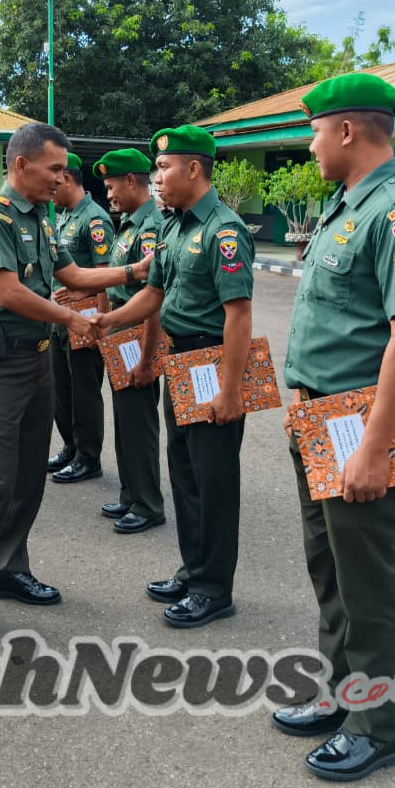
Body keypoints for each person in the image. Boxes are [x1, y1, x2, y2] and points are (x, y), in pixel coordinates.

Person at [272, 73, 395, 783]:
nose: (310, 145)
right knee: (331, 568)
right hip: (320, 417)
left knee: (368, 578)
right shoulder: (347, 206)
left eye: (315, 130)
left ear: (346, 130)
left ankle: (377, 727)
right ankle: (344, 694)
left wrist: (374, 449)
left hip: (358, 424)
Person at [0, 122, 152, 637]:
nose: (63, 177)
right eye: (55, 168)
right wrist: (73, 319)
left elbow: (70, 275)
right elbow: (7, 293)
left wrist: (131, 273)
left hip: (35, 363)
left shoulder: (41, 217)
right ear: (21, 165)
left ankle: (6, 570)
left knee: (28, 479)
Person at [94, 125, 253, 630]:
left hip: (212, 362)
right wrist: (106, 320)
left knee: (214, 481)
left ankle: (214, 589)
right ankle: (193, 569)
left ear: (193, 169)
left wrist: (231, 391)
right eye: (154, 170)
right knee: (184, 472)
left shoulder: (225, 231)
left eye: (163, 168)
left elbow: (239, 316)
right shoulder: (173, 228)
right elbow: (153, 297)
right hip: (180, 363)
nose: (156, 178)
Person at [92, 147, 166, 533]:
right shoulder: (129, 224)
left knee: (139, 423)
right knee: (124, 420)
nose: (109, 196)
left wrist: (149, 358)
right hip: (122, 333)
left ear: (132, 181)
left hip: (139, 334)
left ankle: (148, 503)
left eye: (111, 187)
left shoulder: (151, 226)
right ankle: (130, 494)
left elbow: (153, 300)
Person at [46, 152, 112, 484]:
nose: (51, 191)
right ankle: (70, 447)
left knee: (84, 390)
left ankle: (89, 456)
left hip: (84, 319)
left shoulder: (95, 219)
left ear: (68, 179)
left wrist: (98, 322)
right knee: (62, 388)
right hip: (61, 318)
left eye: (55, 184)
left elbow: (104, 277)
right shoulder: (66, 217)